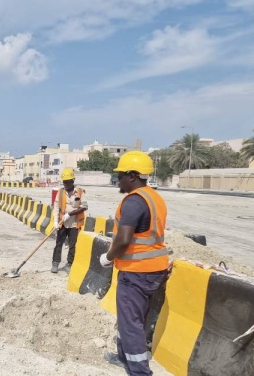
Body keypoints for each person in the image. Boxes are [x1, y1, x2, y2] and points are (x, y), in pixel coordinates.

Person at [99, 151, 170, 376]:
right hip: (154, 268)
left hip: (136, 271)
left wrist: (108, 257)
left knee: (131, 323)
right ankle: (123, 357)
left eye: (120, 175)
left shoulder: (133, 202)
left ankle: (139, 371)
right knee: (130, 317)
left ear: (132, 175)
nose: (117, 180)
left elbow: (124, 239)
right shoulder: (154, 197)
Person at [51, 167, 87, 274]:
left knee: (72, 245)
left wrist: (70, 214)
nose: (65, 184)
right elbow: (56, 207)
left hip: (74, 224)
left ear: (73, 181)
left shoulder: (80, 192)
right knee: (58, 243)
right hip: (62, 223)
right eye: (64, 182)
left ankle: (69, 264)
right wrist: (55, 221)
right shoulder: (61, 192)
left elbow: (84, 207)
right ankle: (55, 263)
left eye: (67, 182)